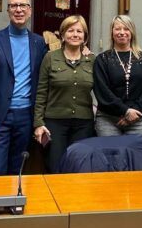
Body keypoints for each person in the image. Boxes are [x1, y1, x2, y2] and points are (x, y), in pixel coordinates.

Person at [0, 0, 47, 175]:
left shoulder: (39, 42)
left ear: (30, 10)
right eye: (14, 6)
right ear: (8, 11)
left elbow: (44, 79)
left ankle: (14, 205)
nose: (19, 10)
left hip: (26, 116)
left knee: (19, 169)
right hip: (0, 117)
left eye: (23, 5)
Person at [33, 15, 95, 173]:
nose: (75, 34)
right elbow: (41, 93)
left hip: (83, 124)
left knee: (80, 168)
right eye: (70, 30)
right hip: (55, 123)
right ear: (62, 34)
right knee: (55, 167)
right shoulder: (50, 58)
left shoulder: (92, 60)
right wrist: (39, 123)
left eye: (79, 31)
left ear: (85, 36)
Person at [93, 15, 142, 136]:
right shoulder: (102, 59)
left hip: (138, 118)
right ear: (112, 32)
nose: (122, 32)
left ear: (132, 32)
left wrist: (134, 113)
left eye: (126, 29)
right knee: (111, 154)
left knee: (135, 154)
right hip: (108, 119)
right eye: (117, 29)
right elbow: (102, 91)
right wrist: (125, 111)